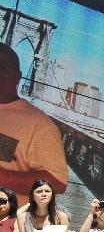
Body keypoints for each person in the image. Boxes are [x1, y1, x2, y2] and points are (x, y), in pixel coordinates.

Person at [0, 43, 68, 206]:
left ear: (18, 76)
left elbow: (57, 181)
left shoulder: (40, 125)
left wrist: (3, 178)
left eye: (4, 67)